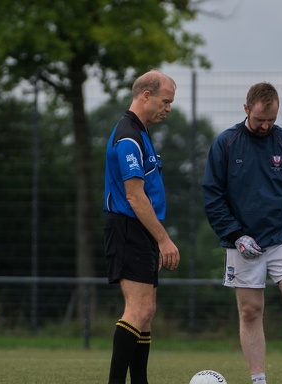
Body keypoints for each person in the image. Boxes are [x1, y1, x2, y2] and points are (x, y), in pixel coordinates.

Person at [202, 82, 282, 384]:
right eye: (259, 120)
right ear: (246, 109)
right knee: (250, 311)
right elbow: (213, 195)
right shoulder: (225, 144)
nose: (266, 125)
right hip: (244, 243)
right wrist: (236, 235)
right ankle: (258, 380)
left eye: (272, 120)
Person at [103, 70, 180, 384]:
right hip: (128, 227)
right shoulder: (128, 137)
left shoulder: (141, 132)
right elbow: (135, 196)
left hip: (140, 231)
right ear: (145, 95)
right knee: (139, 308)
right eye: (165, 101)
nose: (169, 108)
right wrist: (163, 240)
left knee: (147, 312)